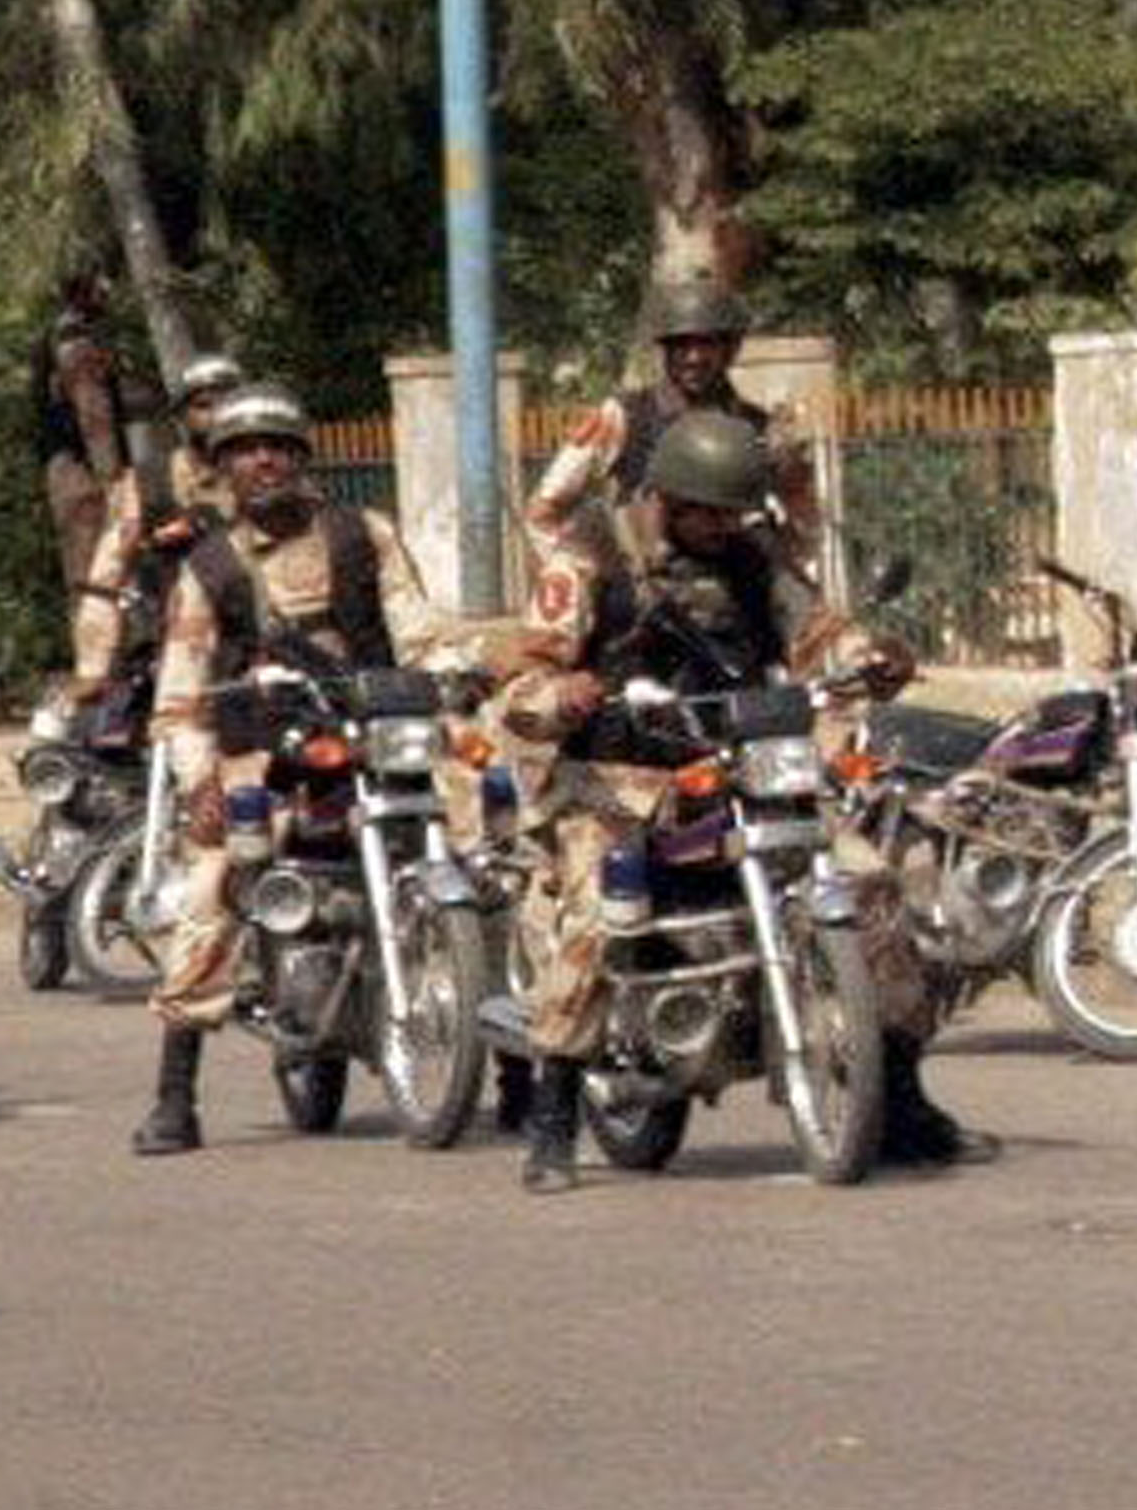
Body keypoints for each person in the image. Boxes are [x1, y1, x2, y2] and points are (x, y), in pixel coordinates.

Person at [495, 411, 982, 1194]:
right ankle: (554, 1110)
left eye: (735, 512)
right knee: (595, 916)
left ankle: (897, 1094)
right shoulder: (590, 553)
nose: (724, 526)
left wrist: (871, 657)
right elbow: (522, 678)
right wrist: (563, 692)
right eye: (709, 512)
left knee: (870, 883)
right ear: (667, 497)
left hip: (742, 768)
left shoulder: (754, 556)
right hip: (617, 782)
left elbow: (818, 631)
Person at [126, 380, 452, 1157]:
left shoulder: (363, 533)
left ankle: (514, 1064)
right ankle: (175, 1092)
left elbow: (418, 631)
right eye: (245, 450)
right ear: (223, 468)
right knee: (214, 883)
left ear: (302, 457)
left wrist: (452, 673)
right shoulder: (209, 566)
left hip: (373, 739)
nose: (263, 461)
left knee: (486, 846)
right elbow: (180, 696)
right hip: (265, 755)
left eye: (277, 446)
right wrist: (199, 780)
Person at [517, 279, 825, 638]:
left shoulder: (761, 430)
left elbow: (806, 519)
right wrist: (589, 580)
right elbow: (544, 509)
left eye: (706, 343)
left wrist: (790, 573)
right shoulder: (622, 417)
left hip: (737, 594)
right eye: (681, 345)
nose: (693, 357)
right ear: (665, 350)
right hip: (643, 598)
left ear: (730, 348)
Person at [58, 354, 243, 710]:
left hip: (266, 638)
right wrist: (93, 669)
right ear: (183, 416)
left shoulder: (276, 475)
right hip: (177, 640)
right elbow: (105, 581)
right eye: (204, 405)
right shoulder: (149, 484)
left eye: (229, 403)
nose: (218, 415)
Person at [34, 272, 130, 595]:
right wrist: (113, 481)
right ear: (82, 295)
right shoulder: (77, 341)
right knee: (98, 570)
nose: (108, 297)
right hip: (84, 471)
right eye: (101, 290)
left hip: (68, 467)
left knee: (89, 571)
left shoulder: (55, 337)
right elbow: (94, 415)